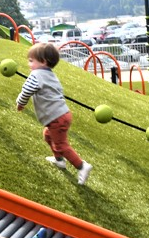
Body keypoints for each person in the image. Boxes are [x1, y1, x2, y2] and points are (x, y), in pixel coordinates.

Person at [16, 43, 93, 185]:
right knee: (47, 135)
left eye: (32, 60)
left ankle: (81, 166)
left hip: (56, 118)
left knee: (61, 145)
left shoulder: (36, 75)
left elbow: (26, 90)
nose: (29, 64)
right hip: (62, 115)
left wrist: (20, 103)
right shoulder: (50, 75)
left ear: (44, 61)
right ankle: (59, 161)